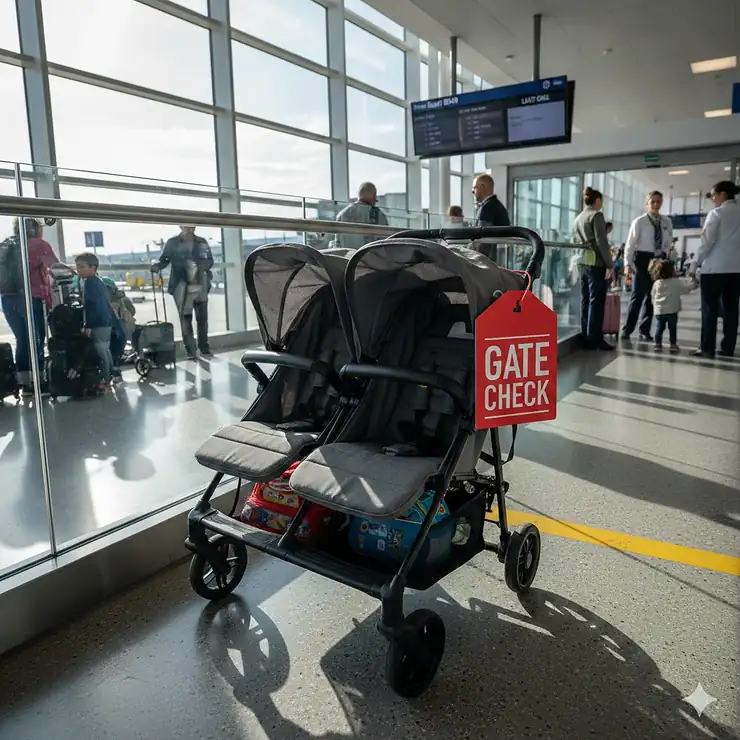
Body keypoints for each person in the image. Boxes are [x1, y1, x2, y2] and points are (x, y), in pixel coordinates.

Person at [0, 218, 60, 394]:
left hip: (7, 298)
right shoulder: (39, 244)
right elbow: (54, 267)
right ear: (36, 229)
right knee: (36, 340)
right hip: (31, 297)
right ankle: (38, 382)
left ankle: (24, 384)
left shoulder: (6, 245)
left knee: (22, 340)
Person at [689, 180, 740, 358]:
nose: (712, 200)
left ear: (723, 194)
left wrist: (695, 263)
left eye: (713, 195)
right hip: (736, 271)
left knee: (710, 310)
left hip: (714, 269)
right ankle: (728, 347)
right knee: (731, 310)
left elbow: (707, 242)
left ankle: (707, 348)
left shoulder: (716, 213)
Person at [151, 226, 214, 360]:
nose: (190, 229)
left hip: (199, 284)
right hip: (181, 286)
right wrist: (157, 266)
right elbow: (165, 259)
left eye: (192, 227)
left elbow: (210, 261)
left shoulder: (201, 242)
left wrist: (200, 268)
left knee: (202, 318)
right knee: (186, 319)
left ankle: (203, 347)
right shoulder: (173, 242)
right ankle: (190, 350)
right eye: (187, 227)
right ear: (181, 227)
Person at [621, 191, 673, 341]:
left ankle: (645, 330)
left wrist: (667, 257)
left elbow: (668, 242)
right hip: (642, 258)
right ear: (647, 203)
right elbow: (630, 245)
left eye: (659, 202)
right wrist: (627, 264)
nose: (656, 205)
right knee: (637, 295)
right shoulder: (639, 221)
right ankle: (627, 329)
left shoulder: (666, 222)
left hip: (659, 260)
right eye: (653, 202)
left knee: (652, 297)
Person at [572, 186, 615, 351]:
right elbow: (601, 242)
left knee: (585, 300)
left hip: (582, 262)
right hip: (596, 262)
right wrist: (610, 265)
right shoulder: (596, 216)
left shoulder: (578, 217)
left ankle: (586, 336)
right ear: (597, 201)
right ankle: (595, 339)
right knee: (597, 301)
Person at [75, 252, 115, 389]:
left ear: (93, 268)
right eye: (77, 267)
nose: (78, 270)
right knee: (106, 350)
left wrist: (88, 325)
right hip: (106, 321)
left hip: (98, 323)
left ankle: (105, 378)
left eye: (82, 266)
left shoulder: (90, 283)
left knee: (101, 351)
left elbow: (92, 306)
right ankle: (111, 374)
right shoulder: (98, 281)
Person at [649, 258, 698, 353]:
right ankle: (673, 345)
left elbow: (653, 295)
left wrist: (655, 305)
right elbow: (685, 289)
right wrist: (694, 284)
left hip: (660, 311)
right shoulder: (675, 282)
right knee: (672, 329)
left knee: (659, 328)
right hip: (672, 310)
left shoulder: (657, 283)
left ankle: (658, 344)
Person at [334, 182, 388, 250]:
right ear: (374, 196)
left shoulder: (341, 214)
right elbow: (385, 243)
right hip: (368, 259)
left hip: (347, 258)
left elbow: (337, 244)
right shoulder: (377, 215)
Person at [471, 174, 510, 262]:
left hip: (488, 261)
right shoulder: (496, 205)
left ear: (482, 187)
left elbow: (481, 239)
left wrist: (472, 259)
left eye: (475, 188)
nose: (472, 191)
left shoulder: (488, 208)